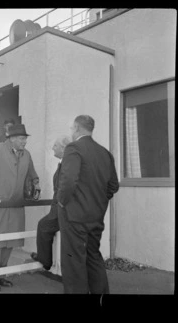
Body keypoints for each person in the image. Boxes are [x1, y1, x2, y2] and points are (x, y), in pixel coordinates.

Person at [57, 115, 119, 294]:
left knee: (73, 262)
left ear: (76, 127)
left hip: (74, 216)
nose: (71, 131)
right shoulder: (104, 152)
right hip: (96, 216)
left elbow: (68, 181)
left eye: (71, 128)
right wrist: (97, 203)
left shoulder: (73, 147)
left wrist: (62, 201)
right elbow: (113, 186)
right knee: (93, 257)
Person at [0, 124, 40, 291]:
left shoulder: (26, 154)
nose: (25, 141)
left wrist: (36, 186)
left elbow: (33, 175)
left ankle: (1, 275)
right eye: (22, 138)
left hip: (16, 206)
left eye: (25, 138)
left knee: (10, 242)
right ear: (12, 138)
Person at [30, 135, 71, 270]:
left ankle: (45, 260)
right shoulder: (66, 162)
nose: (53, 148)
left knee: (43, 225)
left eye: (56, 145)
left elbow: (63, 189)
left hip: (62, 209)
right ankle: (46, 258)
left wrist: (57, 208)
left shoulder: (68, 164)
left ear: (64, 148)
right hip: (61, 208)